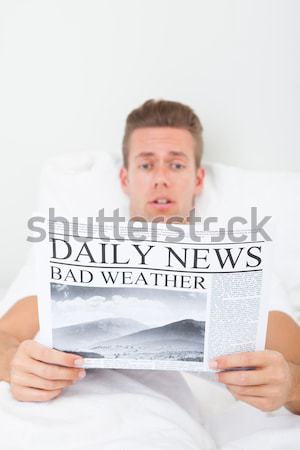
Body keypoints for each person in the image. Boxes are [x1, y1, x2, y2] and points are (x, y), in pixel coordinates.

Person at [0, 99, 300, 416]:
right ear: (125, 179)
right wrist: (12, 363)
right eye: (146, 165)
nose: (160, 178)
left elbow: (295, 361)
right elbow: (5, 337)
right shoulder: (71, 250)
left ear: (198, 180)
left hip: (178, 418)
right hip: (76, 408)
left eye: (176, 165)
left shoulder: (243, 265)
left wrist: (291, 384)